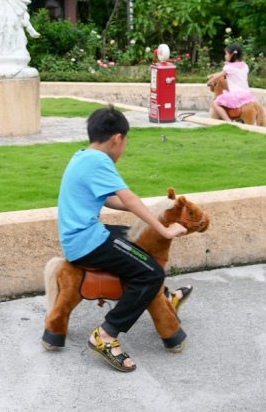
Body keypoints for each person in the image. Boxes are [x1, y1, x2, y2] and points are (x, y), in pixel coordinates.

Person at [57, 106, 187, 372]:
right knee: (150, 272)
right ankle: (106, 335)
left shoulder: (82, 156)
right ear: (117, 138)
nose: (124, 148)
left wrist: (143, 210)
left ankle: (163, 296)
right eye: (126, 142)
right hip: (87, 243)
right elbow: (127, 197)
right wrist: (164, 230)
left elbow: (107, 198)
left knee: (136, 239)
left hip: (83, 235)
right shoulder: (99, 161)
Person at [207, 43, 257, 122]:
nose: (225, 56)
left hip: (236, 95)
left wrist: (209, 81)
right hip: (247, 94)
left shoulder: (228, 67)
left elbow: (218, 76)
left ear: (232, 55)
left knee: (216, 103)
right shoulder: (245, 65)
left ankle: (228, 121)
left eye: (226, 54)